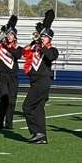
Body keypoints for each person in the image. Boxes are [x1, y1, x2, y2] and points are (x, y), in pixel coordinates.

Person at [22, 10, 58, 144]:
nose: (42, 38)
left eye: (44, 37)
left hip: (43, 81)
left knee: (27, 106)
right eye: (42, 36)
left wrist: (42, 44)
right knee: (38, 108)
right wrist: (34, 42)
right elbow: (22, 52)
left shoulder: (52, 50)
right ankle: (42, 136)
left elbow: (50, 56)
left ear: (50, 38)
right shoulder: (35, 47)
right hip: (34, 81)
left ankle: (36, 132)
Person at [0, 16, 23, 130]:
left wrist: (8, 47)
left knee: (12, 101)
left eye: (12, 35)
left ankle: (9, 123)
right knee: (5, 99)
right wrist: (1, 43)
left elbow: (18, 55)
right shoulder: (0, 46)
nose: (9, 37)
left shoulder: (18, 47)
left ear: (15, 36)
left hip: (13, 76)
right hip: (3, 75)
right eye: (8, 35)